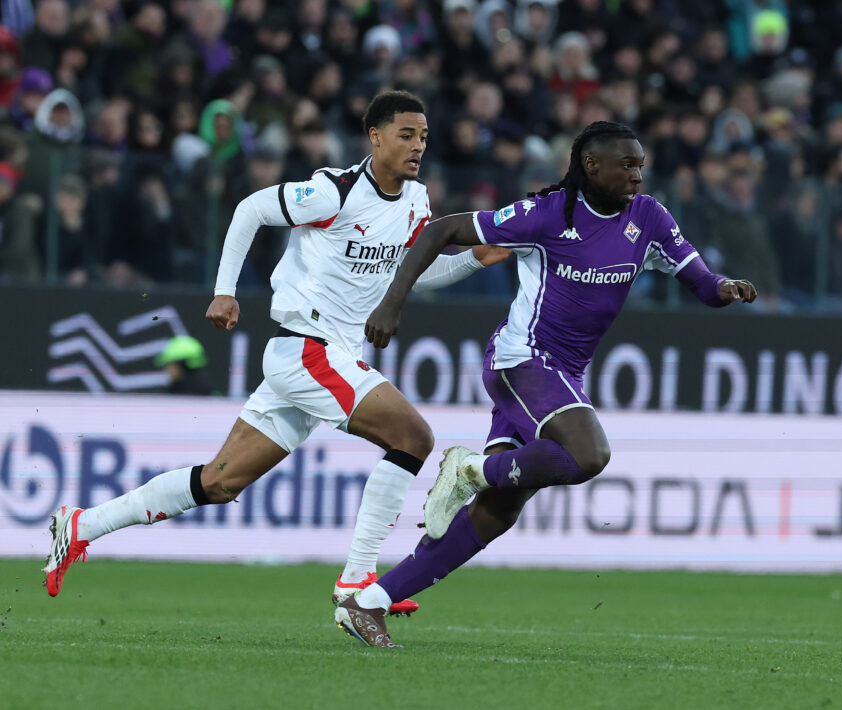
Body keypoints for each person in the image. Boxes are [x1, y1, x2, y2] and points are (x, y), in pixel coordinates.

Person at [43, 91, 510, 619]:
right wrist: (225, 289)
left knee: (220, 481)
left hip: (321, 358)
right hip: (307, 348)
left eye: (423, 136)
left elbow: (409, 278)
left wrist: (472, 259)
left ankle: (80, 526)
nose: (418, 145)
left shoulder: (417, 203)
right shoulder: (334, 191)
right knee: (414, 437)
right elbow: (251, 209)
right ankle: (357, 580)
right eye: (406, 134)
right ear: (374, 137)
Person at [336, 121, 757, 647]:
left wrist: (727, 287)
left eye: (640, 165)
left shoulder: (648, 218)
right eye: (625, 164)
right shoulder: (546, 214)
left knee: (499, 510)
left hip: (562, 374)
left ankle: (368, 602)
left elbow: (701, 282)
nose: (636, 174)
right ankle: (471, 469)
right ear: (590, 166)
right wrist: (393, 302)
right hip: (522, 361)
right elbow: (441, 230)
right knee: (589, 454)